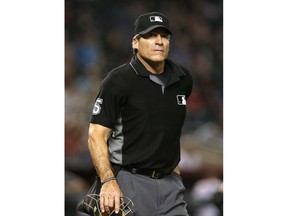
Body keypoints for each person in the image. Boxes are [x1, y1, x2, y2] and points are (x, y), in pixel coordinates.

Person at [76, 11, 193, 216]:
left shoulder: (183, 80)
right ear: (136, 42)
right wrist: (108, 181)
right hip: (129, 181)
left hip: (171, 185)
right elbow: (96, 135)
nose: (158, 41)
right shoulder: (119, 80)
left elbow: (166, 127)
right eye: (150, 35)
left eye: (163, 36)